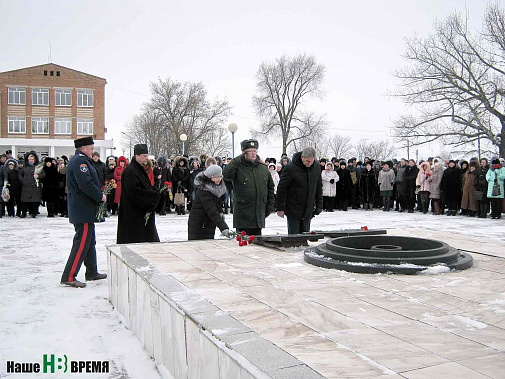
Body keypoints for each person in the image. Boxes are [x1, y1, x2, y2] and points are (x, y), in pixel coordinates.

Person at [61, 137, 107, 288]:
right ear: (83, 148)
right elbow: (85, 183)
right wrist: (100, 196)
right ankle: (69, 276)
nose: (93, 151)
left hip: (84, 209)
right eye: (91, 148)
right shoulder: (79, 161)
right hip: (83, 209)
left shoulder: (82, 160)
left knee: (89, 241)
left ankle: (92, 272)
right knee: (81, 243)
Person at [223, 139, 275, 236]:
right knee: (243, 246)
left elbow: (270, 188)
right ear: (244, 153)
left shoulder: (263, 168)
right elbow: (226, 175)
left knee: (258, 247)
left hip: (258, 215)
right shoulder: (238, 167)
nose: (253, 153)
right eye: (250, 151)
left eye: (255, 151)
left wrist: (270, 206)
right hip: (243, 216)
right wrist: (237, 160)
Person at [117, 144, 161, 244]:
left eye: (147, 155)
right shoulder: (130, 171)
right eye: (144, 156)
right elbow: (134, 192)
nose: (146, 158)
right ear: (137, 156)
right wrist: (153, 196)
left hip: (141, 214)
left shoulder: (138, 169)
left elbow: (146, 186)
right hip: (133, 215)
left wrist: (155, 191)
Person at [276, 147, 322, 234]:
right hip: (293, 208)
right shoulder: (291, 168)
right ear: (302, 157)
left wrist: (319, 205)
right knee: (294, 237)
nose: (310, 164)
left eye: (312, 161)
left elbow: (319, 187)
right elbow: (281, 188)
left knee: (305, 235)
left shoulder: (316, 167)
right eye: (308, 161)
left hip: (308, 208)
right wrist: (280, 208)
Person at [188, 165, 230, 240]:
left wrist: (220, 212)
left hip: (209, 223)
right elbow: (211, 210)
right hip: (199, 223)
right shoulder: (203, 190)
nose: (219, 179)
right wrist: (223, 227)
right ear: (209, 177)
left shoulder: (218, 189)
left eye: (220, 176)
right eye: (216, 177)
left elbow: (218, 204)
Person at [19, 151, 45, 218]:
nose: (31, 160)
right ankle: (24, 213)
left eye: (32, 159)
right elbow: (20, 175)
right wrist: (23, 181)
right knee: (24, 201)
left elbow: (43, 174)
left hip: (35, 186)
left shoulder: (38, 167)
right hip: (26, 186)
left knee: (35, 201)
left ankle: (34, 213)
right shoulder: (24, 167)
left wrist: (38, 176)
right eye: (30, 159)